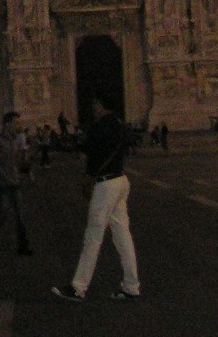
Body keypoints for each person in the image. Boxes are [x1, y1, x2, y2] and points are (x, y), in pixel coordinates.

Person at [53, 92, 140, 302]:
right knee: (122, 235)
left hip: (105, 184)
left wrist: (87, 175)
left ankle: (78, 288)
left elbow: (88, 153)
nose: (93, 107)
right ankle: (131, 286)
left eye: (94, 103)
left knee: (93, 236)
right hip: (120, 180)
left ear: (100, 105)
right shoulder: (121, 124)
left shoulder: (99, 126)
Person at [0, 112, 32, 255]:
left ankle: (23, 246)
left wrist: (26, 162)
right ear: (8, 124)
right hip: (2, 185)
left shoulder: (16, 140)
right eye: (16, 123)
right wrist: (6, 177)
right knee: (1, 216)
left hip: (15, 182)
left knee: (20, 215)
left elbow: (17, 162)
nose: (19, 126)